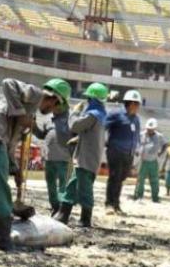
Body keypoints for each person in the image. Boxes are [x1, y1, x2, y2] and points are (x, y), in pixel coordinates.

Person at [0, 78, 62, 251]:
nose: (51, 110)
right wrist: (20, 112)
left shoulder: (29, 112)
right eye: (54, 106)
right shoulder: (36, 93)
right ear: (54, 98)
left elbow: (10, 147)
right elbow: (7, 83)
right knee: (0, 190)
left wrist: (15, 169)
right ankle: (2, 240)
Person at [55, 82, 108, 227]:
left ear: (93, 100)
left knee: (85, 189)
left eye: (89, 99)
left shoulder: (93, 115)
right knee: (72, 186)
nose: (87, 102)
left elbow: (74, 126)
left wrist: (74, 112)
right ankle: (63, 214)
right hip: (88, 158)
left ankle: (85, 219)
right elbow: (91, 135)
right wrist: (78, 139)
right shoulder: (102, 116)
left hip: (86, 159)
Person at [32, 78, 73, 214]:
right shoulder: (49, 120)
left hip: (64, 160)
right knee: (51, 187)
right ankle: (55, 208)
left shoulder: (71, 119)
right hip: (49, 159)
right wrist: (32, 125)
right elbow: (41, 135)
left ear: (59, 101)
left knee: (63, 187)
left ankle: (62, 211)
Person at [103, 90, 142, 213]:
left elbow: (136, 135)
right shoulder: (116, 114)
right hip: (115, 151)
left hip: (128, 154)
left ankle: (116, 204)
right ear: (129, 103)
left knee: (121, 178)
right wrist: (104, 142)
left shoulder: (136, 119)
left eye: (138, 104)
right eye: (136, 104)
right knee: (114, 177)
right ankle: (109, 204)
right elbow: (102, 127)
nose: (137, 107)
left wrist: (136, 149)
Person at [133, 118, 167, 202]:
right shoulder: (141, 135)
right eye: (148, 129)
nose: (149, 130)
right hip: (143, 160)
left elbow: (165, 144)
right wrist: (136, 151)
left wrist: (161, 153)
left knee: (154, 180)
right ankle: (138, 196)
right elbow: (135, 143)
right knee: (140, 179)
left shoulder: (159, 136)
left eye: (151, 129)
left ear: (154, 129)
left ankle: (155, 197)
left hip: (153, 161)